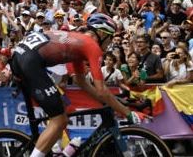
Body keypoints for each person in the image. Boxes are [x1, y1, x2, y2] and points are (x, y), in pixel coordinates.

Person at [10, 14, 140, 157]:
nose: (108, 44)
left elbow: (81, 82)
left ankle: (55, 151)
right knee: (59, 120)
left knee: (62, 114)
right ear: (101, 33)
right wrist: (128, 113)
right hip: (30, 61)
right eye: (109, 37)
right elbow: (102, 90)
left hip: (21, 57)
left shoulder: (78, 42)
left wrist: (110, 101)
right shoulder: (92, 46)